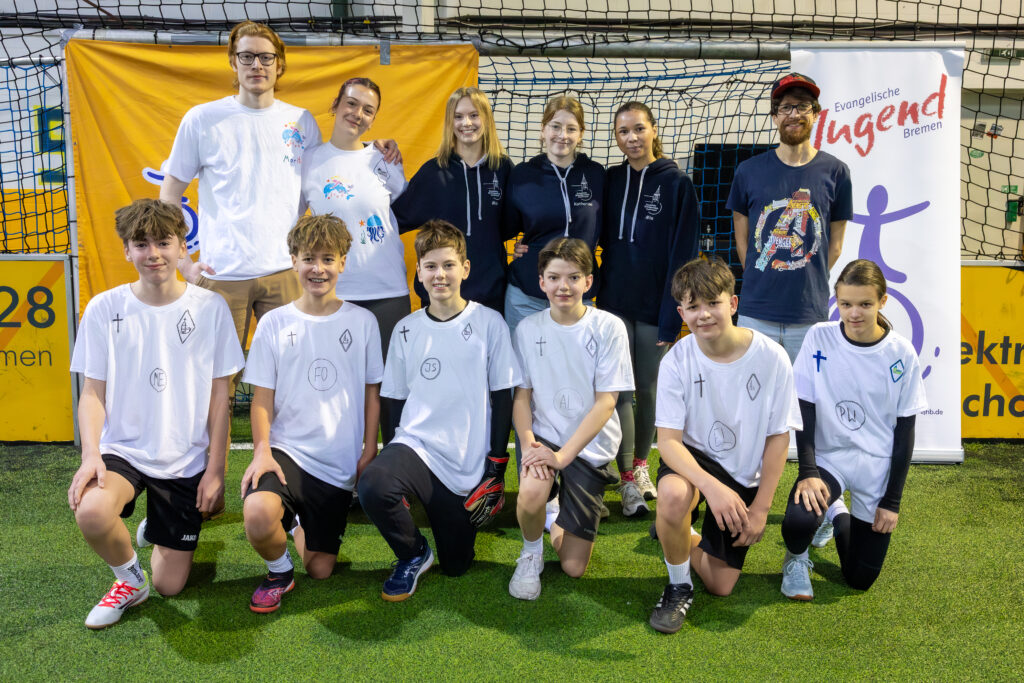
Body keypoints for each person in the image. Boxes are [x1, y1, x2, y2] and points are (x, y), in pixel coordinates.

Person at [67, 199, 244, 629]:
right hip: (123, 451)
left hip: (183, 459)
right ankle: (129, 579)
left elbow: (221, 400)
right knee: (91, 512)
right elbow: (92, 393)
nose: (154, 254)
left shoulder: (210, 308)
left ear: (183, 247)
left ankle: (156, 529)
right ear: (126, 250)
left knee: (171, 585)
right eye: (141, 244)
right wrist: (91, 454)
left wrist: (215, 471)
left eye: (164, 242)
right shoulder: (103, 308)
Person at [357, 220, 521, 601]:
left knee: (457, 566)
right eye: (430, 266)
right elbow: (394, 399)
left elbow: (504, 397)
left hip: (464, 465)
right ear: (419, 273)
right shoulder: (406, 329)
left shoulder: (489, 323)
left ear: (465, 268)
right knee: (374, 484)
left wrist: (496, 467)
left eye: (448, 265)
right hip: (417, 448)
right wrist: (392, 459)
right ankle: (413, 554)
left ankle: (447, 540)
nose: (440, 275)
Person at [239, 214, 383, 613]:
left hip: (336, 464)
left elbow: (373, 393)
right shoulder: (273, 322)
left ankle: (297, 523)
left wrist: (369, 448)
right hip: (286, 453)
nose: (317, 268)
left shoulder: (363, 322)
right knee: (257, 513)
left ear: (342, 262)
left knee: (320, 569)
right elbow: (261, 399)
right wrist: (262, 451)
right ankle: (278, 572)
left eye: (327, 258)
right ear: (293, 261)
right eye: (308, 259)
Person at [648, 257, 800, 634]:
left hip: (741, 469)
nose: (703, 315)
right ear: (681, 312)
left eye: (712, 303)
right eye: (693, 306)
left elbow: (778, 438)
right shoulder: (676, 361)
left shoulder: (773, 358)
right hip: (694, 459)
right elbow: (668, 442)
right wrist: (711, 489)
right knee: (671, 495)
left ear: (732, 304)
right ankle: (677, 583)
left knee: (721, 585)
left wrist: (761, 508)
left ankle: (680, 533)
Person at [779, 259, 927, 600]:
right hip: (831, 459)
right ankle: (796, 558)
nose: (854, 313)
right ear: (836, 301)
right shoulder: (820, 337)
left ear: (882, 301)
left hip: (876, 465)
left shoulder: (901, 353)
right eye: (845, 304)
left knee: (860, 579)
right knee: (799, 523)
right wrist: (808, 471)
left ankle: (836, 512)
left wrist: (892, 501)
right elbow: (805, 408)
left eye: (865, 304)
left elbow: (905, 432)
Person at [508, 238, 634, 601]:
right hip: (545, 437)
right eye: (554, 277)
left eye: (574, 277)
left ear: (588, 282)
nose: (564, 286)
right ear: (541, 282)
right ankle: (530, 553)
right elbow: (522, 396)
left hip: (589, 445)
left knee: (573, 567)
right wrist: (530, 442)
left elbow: (607, 402)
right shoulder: (528, 329)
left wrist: (563, 458)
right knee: (531, 493)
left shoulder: (609, 327)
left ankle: (557, 511)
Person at [598, 101, 701, 517]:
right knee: (618, 390)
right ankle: (625, 477)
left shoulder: (678, 184)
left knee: (648, 390)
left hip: (656, 306)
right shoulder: (610, 180)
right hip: (612, 304)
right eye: (623, 132)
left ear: (654, 131)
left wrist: (671, 314)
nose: (632, 138)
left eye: (639, 129)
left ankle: (642, 466)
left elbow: (684, 254)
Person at [301, 76, 407, 444]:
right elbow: (292, 226)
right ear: (336, 105)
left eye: (368, 110)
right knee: (340, 388)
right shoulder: (309, 162)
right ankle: (342, 474)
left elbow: (411, 211)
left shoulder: (384, 159)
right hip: (335, 295)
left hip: (387, 291)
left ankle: (393, 472)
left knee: (392, 389)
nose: (357, 114)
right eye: (351, 104)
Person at [728, 72, 853, 363]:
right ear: (774, 116)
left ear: (816, 114)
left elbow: (834, 246)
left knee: (806, 401)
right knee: (756, 399)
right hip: (757, 313)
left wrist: (801, 270)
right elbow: (742, 239)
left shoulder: (836, 172)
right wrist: (767, 272)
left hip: (809, 314)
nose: (794, 114)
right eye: (786, 107)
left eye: (802, 107)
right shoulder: (748, 171)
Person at [392, 87, 514, 314]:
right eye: (458, 116)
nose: (466, 123)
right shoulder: (433, 172)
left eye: (474, 115)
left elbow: (515, 222)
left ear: (486, 118)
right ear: (450, 122)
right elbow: (393, 220)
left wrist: (527, 246)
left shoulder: (503, 169)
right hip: (440, 296)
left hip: (492, 295)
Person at [504, 95, 604, 337]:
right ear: (543, 130)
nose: (563, 135)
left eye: (571, 128)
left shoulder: (596, 175)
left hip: (578, 296)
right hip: (526, 296)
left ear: (580, 134)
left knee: (574, 368)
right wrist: (519, 246)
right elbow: (505, 227)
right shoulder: (522, 175)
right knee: (524, 370)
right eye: (555, 126)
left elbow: (604, 230)